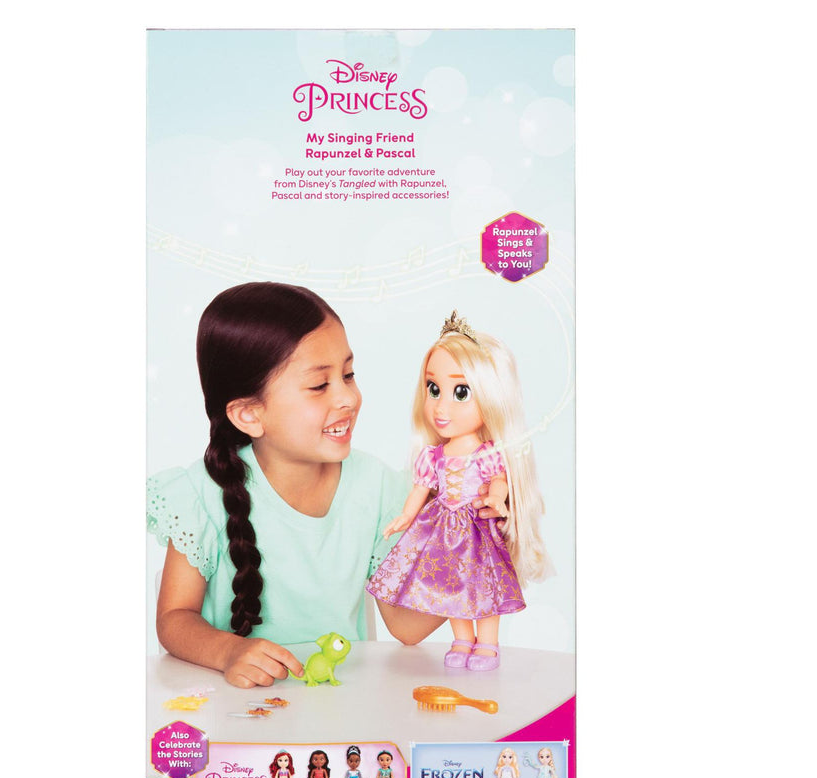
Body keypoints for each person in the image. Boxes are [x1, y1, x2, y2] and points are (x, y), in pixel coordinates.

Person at [149, 284, 493, 688]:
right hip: (238, 707)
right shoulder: (201, 494)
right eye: (319, 385)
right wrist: (227, 652)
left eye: (348, 375)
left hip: (340, 704)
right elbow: (174, 619)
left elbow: (406, 626)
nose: (349, 398)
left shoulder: (378, 487)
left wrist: (479, 543)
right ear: (249, 414)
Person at [367, 312, 551, 671]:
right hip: (441, 530)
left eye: (460, 393)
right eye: (433, 389)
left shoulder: (486, 454)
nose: (441, 406)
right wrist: (405, 516)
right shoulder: (433, 455)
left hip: (475, 531)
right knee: (450, 586)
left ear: (492, 397)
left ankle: (488, 643)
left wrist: (496, 498)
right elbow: (422, 487)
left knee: (483, 586)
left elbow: (498, 479)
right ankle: (463, 639)